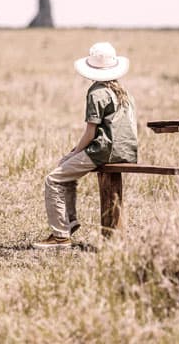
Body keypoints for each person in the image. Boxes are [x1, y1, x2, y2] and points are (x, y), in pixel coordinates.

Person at [33, 42, 138, 249]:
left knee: (53, 179)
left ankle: (60, 234)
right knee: (66, 174)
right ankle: (68, 222)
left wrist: (73, 152)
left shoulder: (96, 92)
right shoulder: (123, 91)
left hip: (104, 151)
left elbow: (90, 132)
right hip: (126, 151)